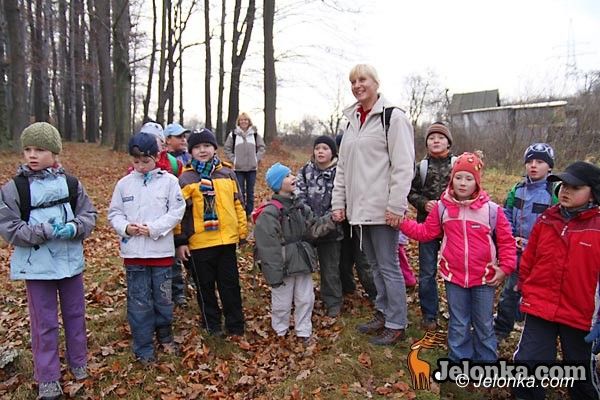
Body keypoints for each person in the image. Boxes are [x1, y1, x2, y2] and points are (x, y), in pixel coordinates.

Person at [0, 122, 97, 399]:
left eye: (40, 150)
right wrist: (42, 231)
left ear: (54, 153)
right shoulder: (14, 189)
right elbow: (10, 228)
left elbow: (89, 215)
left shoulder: (72, 184)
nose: (32, 155)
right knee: (44, 322)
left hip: (70, 263)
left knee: (75, 315)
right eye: (28, 149)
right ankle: (47, 376)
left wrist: (74, 227)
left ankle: (78, 361)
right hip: (37, 268)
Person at [400, 152, 516, 361]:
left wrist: (505, 268)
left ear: (477, 181)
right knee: (459, 322)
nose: (463, 183)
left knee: (483, 323)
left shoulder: (491, 211)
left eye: (469, 178)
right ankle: (459, 359)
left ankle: (486, 362)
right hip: (454, 277)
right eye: (458, 177)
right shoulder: (442, 208)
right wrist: (402, 222)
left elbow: (507, 242)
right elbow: (425, 232)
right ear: (451, 179)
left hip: (484, 278)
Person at [331, 63, 415, 345]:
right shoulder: (352, 121)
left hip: (383, 209)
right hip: (359, 210)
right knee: (374, 266)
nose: (357, 86)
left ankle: (396, 323)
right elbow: (342, 168)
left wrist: (396, 206)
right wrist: (339, 202)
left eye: (362, 79)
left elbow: (403, 166)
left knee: (388, 266)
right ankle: (383, 311)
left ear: (376, 82)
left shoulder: (393, 118)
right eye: (353, 81)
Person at [513, 161, 600, 400]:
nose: (566, 191)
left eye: (575, 187)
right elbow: (530, 258)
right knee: (528, 364)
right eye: (563, 185)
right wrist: (524, 289)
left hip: (581, 315)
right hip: (540, 306)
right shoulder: (546, 219)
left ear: (593, 192)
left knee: (580, 373)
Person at [108, 132, 185, 365]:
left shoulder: (169, 182)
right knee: (139, 301)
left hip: (161, 252)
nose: (141, 166)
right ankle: (143, 346)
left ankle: (165, 335)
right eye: (136, 161)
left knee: (163, 298)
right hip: (134, 255)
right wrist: (125, 228)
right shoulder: (124, 184)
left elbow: (176, 211)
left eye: (145, 161)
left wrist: (153, 229)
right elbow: (114, 213)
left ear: (157, 157)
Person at [175, 129, 247, 337]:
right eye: (197, 147)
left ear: (214, 148)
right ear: (190, 152)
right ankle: (212, 324)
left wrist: (242, 231)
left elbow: (238, 203)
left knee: (230, 285)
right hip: (200, 243)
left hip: (226, 241)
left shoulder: (227, 173)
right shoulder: (186, 179)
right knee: (205, 287)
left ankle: (235, 325)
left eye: (206, 146)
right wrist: (181, 241)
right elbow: (180, 213)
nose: (202, 150)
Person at [254, 162, 336, 341]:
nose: (293, 177)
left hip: (302, 260)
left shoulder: (300, 207)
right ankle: (280, 331)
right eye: (287, 176)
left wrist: (331, 219)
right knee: (282, 302)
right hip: (283, 265)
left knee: (306, 298)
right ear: (277, 184)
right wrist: (274, 273)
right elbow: (268, 247)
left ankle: (303, 330)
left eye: (291, 174)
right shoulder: (270, 213)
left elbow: (312, 228)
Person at [494, 143, 557, 341]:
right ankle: (501, 328)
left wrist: (532, 243)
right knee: (509, 292)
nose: (533, 165)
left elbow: (555, 225)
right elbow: (506, 214)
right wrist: (510, 237)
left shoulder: (554, 193)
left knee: (535, 293)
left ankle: (530, 330)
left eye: (539, 162)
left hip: (540, 255)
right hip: (516, 252)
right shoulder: (517, 189)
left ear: (549, 167)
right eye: (530, 162)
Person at [407, 121, 456, 331]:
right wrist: (423, 204)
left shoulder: (457, 164)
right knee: (427, 273)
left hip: (454, 229)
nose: (436, 141)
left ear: (448, 142)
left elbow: (471, 190)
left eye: (440, 138)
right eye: (431, 138)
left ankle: (458, 314)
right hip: (427, 227)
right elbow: (410, 192)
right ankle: (429, 314)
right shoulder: (421, 167)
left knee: (455, 272)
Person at [296, 135, 344, 317]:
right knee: (304, 266)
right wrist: (310, 218)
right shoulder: (305, 171)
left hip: (332, 228)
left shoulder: (340, 172)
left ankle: (333, 303)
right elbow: (298, 195)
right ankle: (302, 299)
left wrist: (327, 220)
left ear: (333, 152)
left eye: (325, 148)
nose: (320, 152)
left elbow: (342, 198)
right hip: (308, 226)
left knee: (330, 268)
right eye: (317, 148)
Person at [139, 121, 187, 306]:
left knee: (173, 258)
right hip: (145, 220)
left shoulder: (174, 164)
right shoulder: (137, 165)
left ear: (162, 143)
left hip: (169, 219)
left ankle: (177, 291)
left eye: (155, 141)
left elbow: (181, 191)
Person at [224, 112, 266, 217]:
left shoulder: (255, 134)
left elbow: (262, 147)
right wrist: (234, 159)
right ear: (238, 122)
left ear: (249, 121)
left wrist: (256, 158)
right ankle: (242, 213)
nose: (244, 122)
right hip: (238, 169)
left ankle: (250, 213)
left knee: (250, 192)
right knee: (240, 192)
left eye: (246, 120)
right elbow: (227, 148)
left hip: (252, 168)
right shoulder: (233, 135)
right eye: (242, 120)